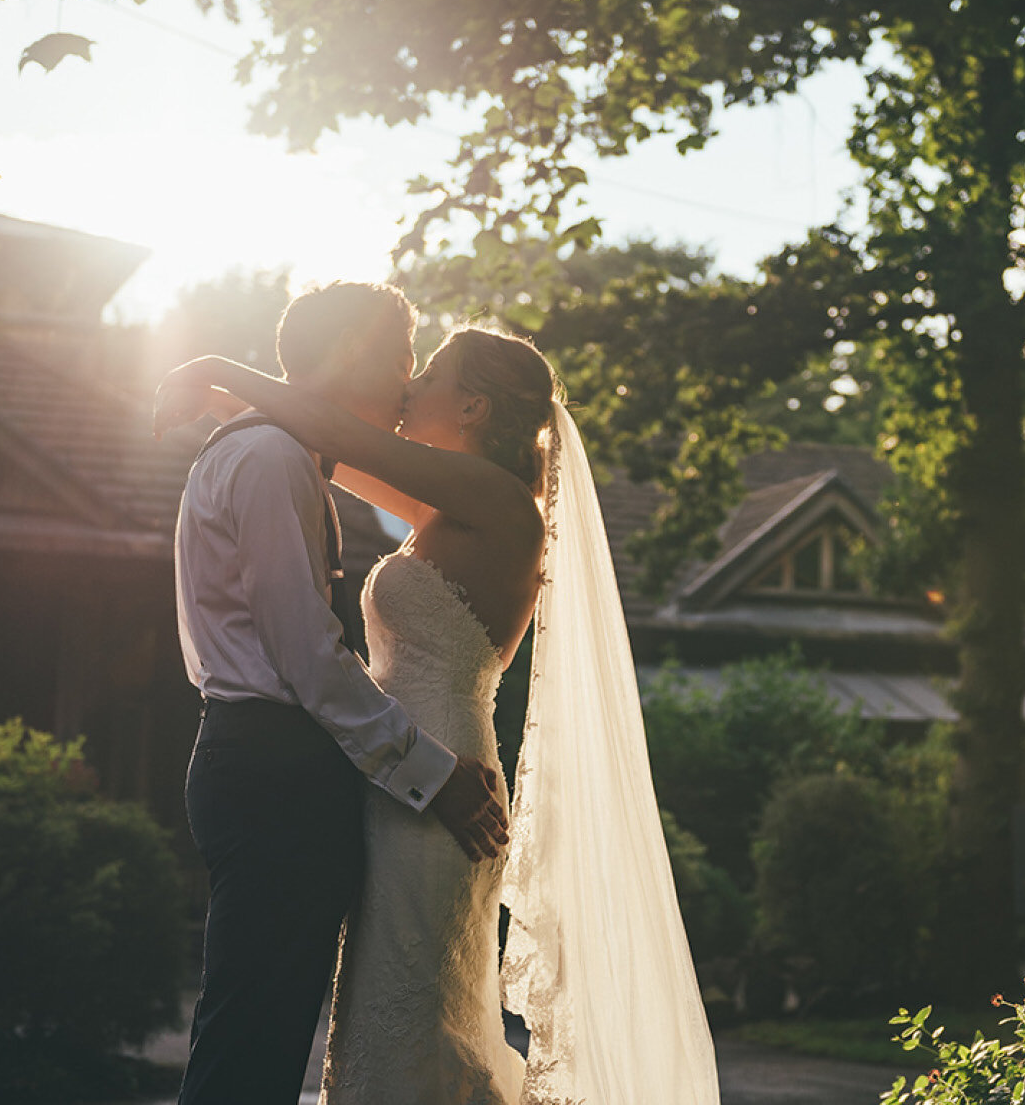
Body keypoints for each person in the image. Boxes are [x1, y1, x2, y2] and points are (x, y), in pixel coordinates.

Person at [156, 318, 719, 1105]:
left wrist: (219, 366)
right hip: (403, 773)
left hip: (439, 778)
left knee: (415, 1014)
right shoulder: (450, 510)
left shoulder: (494, 498)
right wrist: (228, 407)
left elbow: (334, 432)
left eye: (433, 375)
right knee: (390, 1014)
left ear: (474, 410)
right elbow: (330, 447)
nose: (412, 385)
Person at [166, 282, 510, 1105]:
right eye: (401, 358)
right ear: (355, 349)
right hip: (271, 767)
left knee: (265, 1031)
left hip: (273, 762)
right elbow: (306, 654)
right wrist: (426, 772)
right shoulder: (270, 458)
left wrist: (224, 381)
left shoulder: (280, 451)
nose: (406, 383)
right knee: (252, 1036)